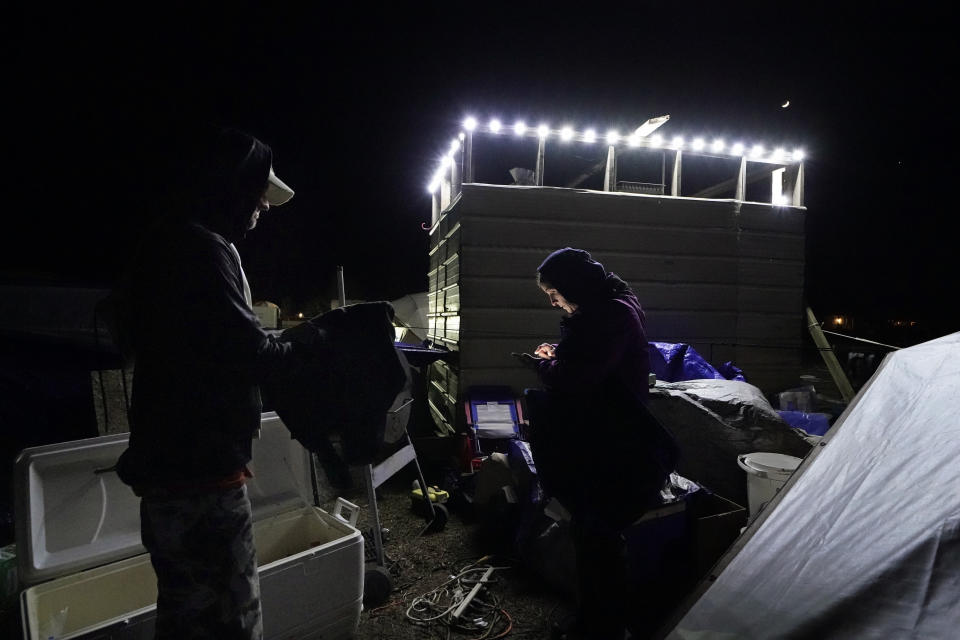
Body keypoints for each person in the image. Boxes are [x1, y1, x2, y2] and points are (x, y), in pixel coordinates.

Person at [110, 127, 297, 639]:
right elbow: (248, 351)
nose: (264, 207)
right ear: (230, 188)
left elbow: (200, 362)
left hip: (179, 469)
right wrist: (317, 347)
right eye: (259, 193)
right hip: (199, 478)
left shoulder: (167, 242)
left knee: (185, 613)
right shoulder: (201, 249)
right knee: (231, 618)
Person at [520, 247, 678, 640]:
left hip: (613, 442)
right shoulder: (612, 308)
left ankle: (602, 627)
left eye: (554, 293)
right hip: (611, 433)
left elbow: (576, 378)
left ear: (571, 285)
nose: (554, 301)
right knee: (596, 533)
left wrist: (543, 364)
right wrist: (558, 355)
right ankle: (600, 620)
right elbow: (590, 363)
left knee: (597, 532)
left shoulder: (606, 316)